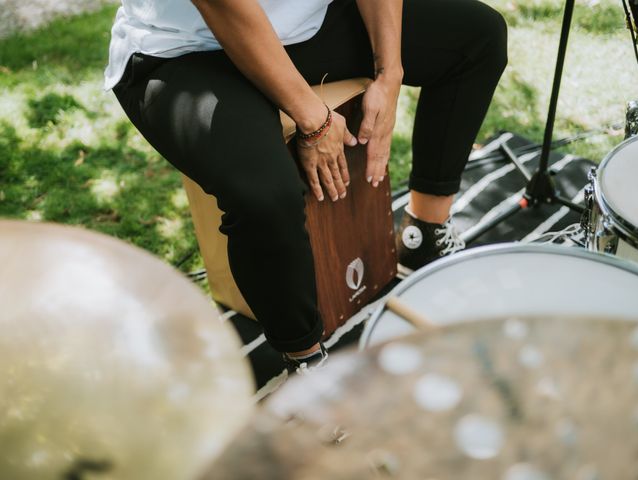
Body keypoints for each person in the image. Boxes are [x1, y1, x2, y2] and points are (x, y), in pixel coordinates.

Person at [104, 0, 507, 371]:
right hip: (185, 52)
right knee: (266, 195)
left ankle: (425, 234)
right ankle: (306, 361)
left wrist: (390, 74)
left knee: (477, 38)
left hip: (307, 28)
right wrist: (315, 119)